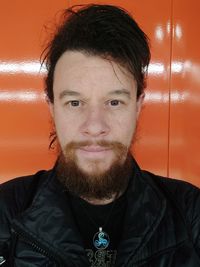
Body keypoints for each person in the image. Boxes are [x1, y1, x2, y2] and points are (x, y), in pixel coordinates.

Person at [0, 4, 200, 267]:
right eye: (74, 103)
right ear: (52, 107)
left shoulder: (191, 212)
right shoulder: (6, 212)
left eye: (114, 102)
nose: (94, 126)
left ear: (138, 105)